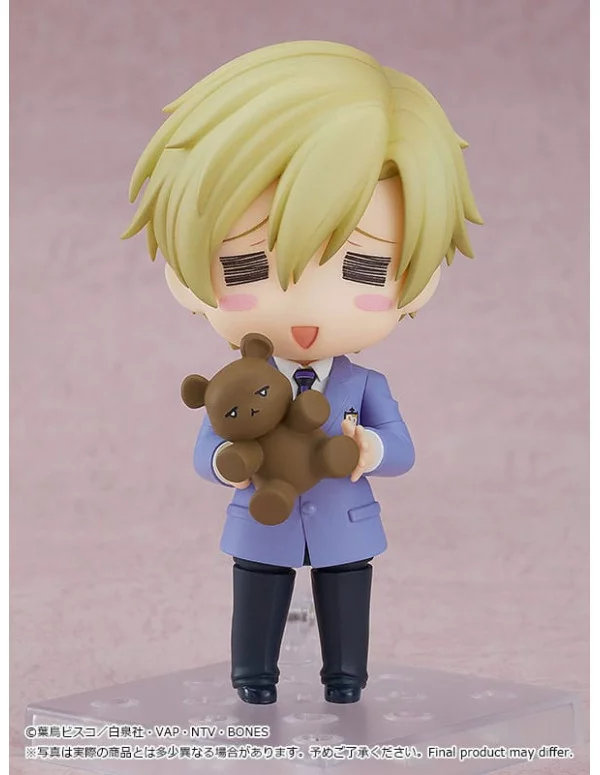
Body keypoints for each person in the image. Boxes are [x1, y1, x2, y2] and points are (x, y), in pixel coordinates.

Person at [123, 40, 482, 705]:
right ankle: (253, 677)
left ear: (420, 280)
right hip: (262, 523)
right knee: (257, 595)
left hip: (346, 524)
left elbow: (402, 450)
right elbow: (206, 452)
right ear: (184, 275)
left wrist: (369, 448)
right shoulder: (235, 387)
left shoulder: (365, 386)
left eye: (365, 268)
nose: (308, 309)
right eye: (247, 267)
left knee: (346, 599)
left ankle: (345, 677)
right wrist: (231, 462)